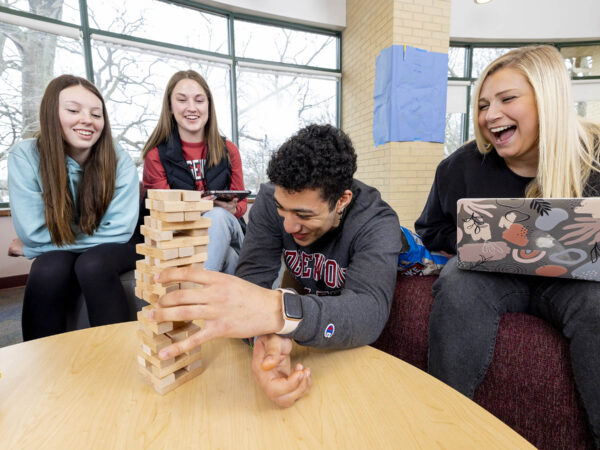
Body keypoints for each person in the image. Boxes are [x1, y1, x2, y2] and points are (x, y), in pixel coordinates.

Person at [414, 45, 600, 447]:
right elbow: (430, 229)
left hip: (577, 283)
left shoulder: (595, 153)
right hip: (494, 277)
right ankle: (439, 430)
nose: (489, 116)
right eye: (482, 105)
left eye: (506, 99)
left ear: (547, 99)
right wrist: (477, 239)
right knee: (458, 278)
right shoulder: (458, 168)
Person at [144, 124, 404, 407]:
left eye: (304, 215)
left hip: (352, 354)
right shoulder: (269, 200)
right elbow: (252, 284)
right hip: (307, 337)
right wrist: (265, 340)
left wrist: (281, 311)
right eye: (283, 211)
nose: (290, 226)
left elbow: (368, 313)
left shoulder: (377, 222)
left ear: (342, 200)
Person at [8, 74, 140, 341]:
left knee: (92, 264)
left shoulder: (119, 158)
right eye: (72, 110)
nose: (87, 120)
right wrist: (37, 243)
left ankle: (118, 357)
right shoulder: (24, 156)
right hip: (75, 241)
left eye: (96, 114)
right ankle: (42, 363)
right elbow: (34, 231)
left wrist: (33, 247)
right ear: (50, 113)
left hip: (121, 240)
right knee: (48, 268)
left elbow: (118, 232)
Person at [142, 70, 246, 274]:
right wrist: (204, 204)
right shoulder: (156, 156)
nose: (192, 108)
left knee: (217, 216)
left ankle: (195, 299)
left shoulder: (229, 150)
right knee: (230, 258)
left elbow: (241, 202)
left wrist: (232, 209)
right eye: (182, 100)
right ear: (170, 107)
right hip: (183, 242)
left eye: (199, 100)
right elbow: (163, 214)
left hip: (232, 232)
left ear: (208, 106)